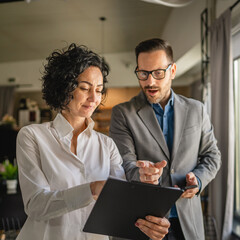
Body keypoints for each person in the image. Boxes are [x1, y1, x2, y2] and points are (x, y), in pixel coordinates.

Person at [16, 43, 170, 240]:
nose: (94, 98)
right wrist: (91, 189)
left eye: (98, 90)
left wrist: (146, 184)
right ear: (63, 88)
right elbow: (36, 205)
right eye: (84, 88)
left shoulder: (106, 145)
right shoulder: (32, 137)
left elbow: (121, 203)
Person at [109, 38, 221, 240]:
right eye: (143, 73)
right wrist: (141, 174)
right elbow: (124, 164)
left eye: (158, 73)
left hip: (188, 223)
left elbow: (212, 155)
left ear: (173, 70)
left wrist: (199, 180)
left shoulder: (197, 109)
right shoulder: (122, 113)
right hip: (144, 224)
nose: (150, 82)